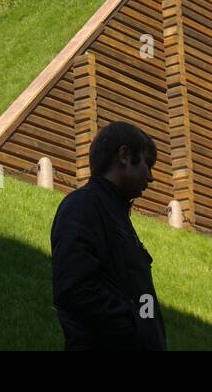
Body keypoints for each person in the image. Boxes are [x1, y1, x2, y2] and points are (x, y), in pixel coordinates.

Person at [50, 121, 167, 350]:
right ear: (124, 155)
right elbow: (74, 289)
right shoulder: (83, 207)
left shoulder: (115, 215)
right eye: (147, 163)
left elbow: (139, 296)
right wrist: (133, 327)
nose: (151, 177)